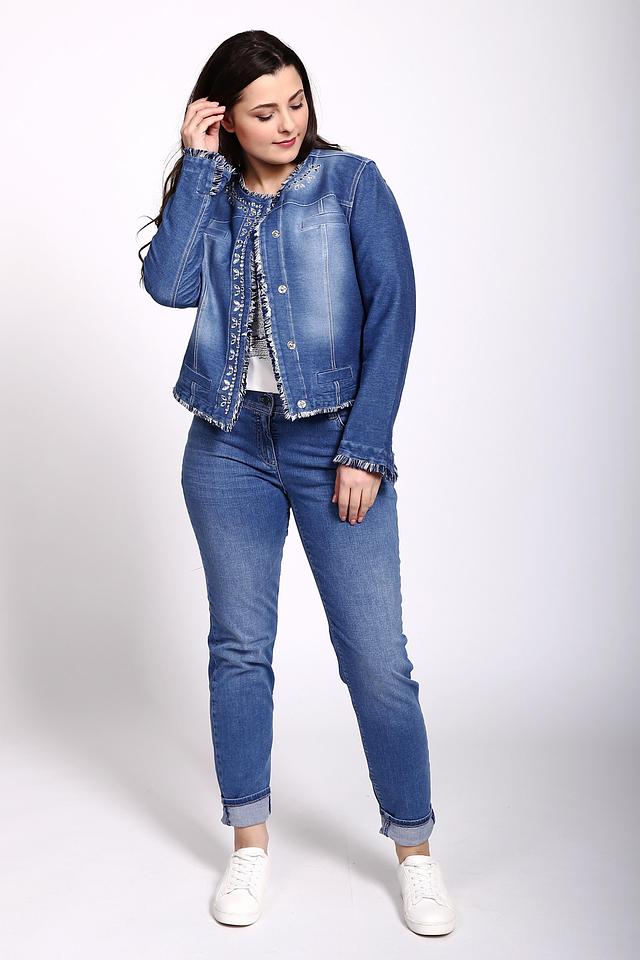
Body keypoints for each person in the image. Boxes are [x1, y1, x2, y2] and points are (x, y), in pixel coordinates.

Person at [139, 29, 456, 937]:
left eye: (297, 103)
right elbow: (167, 288)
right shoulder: (214, 193)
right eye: (263, 111)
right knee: (239, 648)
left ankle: (416, 852)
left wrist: (366, 448)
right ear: (225, 120)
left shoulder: (351, 184)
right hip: (226, 443)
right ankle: (248, 845)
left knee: (377, 661)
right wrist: (198, 169)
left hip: (333, 444)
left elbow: (394, 312)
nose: (286, 124)